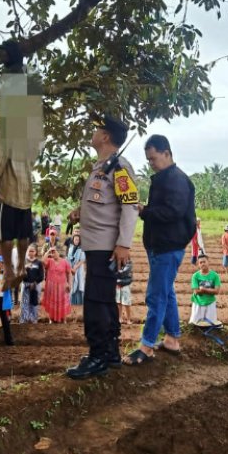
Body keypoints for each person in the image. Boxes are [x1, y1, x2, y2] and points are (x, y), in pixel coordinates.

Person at [65, 113, 138, 379]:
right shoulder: (101, 167)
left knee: (96, 302)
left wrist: (123, 245)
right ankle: (110, 352)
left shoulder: (119, 167)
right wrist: (79, 212)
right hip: (95, 244)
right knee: (102, 300)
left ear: (105, 136)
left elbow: (129, 206)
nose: (93, 132)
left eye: (97, 129)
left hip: (105, 247)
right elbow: (103, 203)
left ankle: (99, 356)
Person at [124, 135, 195, 365]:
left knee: (155, 296)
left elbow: (172, 212)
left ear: (167, 153)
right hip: (160, 246)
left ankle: (147, 346)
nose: (151, 163)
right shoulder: (164, 178)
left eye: (153, 158)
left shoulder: (176, 180)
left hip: (168, 247)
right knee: (167, 292)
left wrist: (144, 211)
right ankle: (172, 339)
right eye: (148, 160)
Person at [0, 47, 44, 290]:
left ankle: (10, 271)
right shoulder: (32, 122)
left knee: (3, 232)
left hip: (8, 184)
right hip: (26, 182)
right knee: (23, 231)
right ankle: (21, 265)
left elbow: (0, 152)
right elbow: (38, 148)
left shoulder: (9, 120)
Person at [42, 247, 72, 323]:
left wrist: (69, 284)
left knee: (63, 302)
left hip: (62, 286)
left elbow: (69, 273)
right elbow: (42, 261)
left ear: (58, 253)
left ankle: (64, 319)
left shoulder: (65, 262)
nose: (53, 254)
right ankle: (50, 319)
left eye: (54, 252)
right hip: (51, 286)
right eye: (52, 253)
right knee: (51, 301)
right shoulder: (49, 261)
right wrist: (48, 251)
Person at [189, 254, 221, 325]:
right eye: (200, 262)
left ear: (208, 262)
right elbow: (196, 292)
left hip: (210, 303)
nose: (202, 264)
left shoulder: (215, 275)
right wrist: (210, 290)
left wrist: (203, 289)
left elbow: (217, 291)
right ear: (198, 264)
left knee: (210, 324)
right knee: (194, 324)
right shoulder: (195, 276)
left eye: (204, 262)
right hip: (197, 302)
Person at [20, 244, 45, 323]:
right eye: (29, 251)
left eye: (32, 251)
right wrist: (25, 269)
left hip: (36, 285)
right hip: (25, 285)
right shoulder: (23, 262)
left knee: (34, 302)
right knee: (24, 303)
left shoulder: (39, 263)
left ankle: (33, 319)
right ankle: (24, 319)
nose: (30, 253)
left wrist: (34, 283)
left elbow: (41, 276)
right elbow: (20, 275)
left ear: (36, 252)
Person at [68, 234, 86, 305]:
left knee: (79, 285)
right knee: (72, 284)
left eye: (78, 240)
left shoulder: (82, 249)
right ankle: (72, 302)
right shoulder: (70, 249)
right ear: (73, 240)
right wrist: (71, 268)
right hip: (71, 269)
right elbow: (68, 258)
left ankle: (79, 302)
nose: (76, 241)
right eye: (75, 239)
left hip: (79, 269)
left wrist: (75, 267)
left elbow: (82, 260)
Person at [115, 260, 133, 325]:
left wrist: (117, 279)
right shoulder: (115, 261)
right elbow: (111, 270)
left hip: (125, 285)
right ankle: (120, 318)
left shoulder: (129, 263)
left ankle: (128, 319)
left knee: (127, 303)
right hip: (117, 285)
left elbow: (124, 273)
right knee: (118, 302)